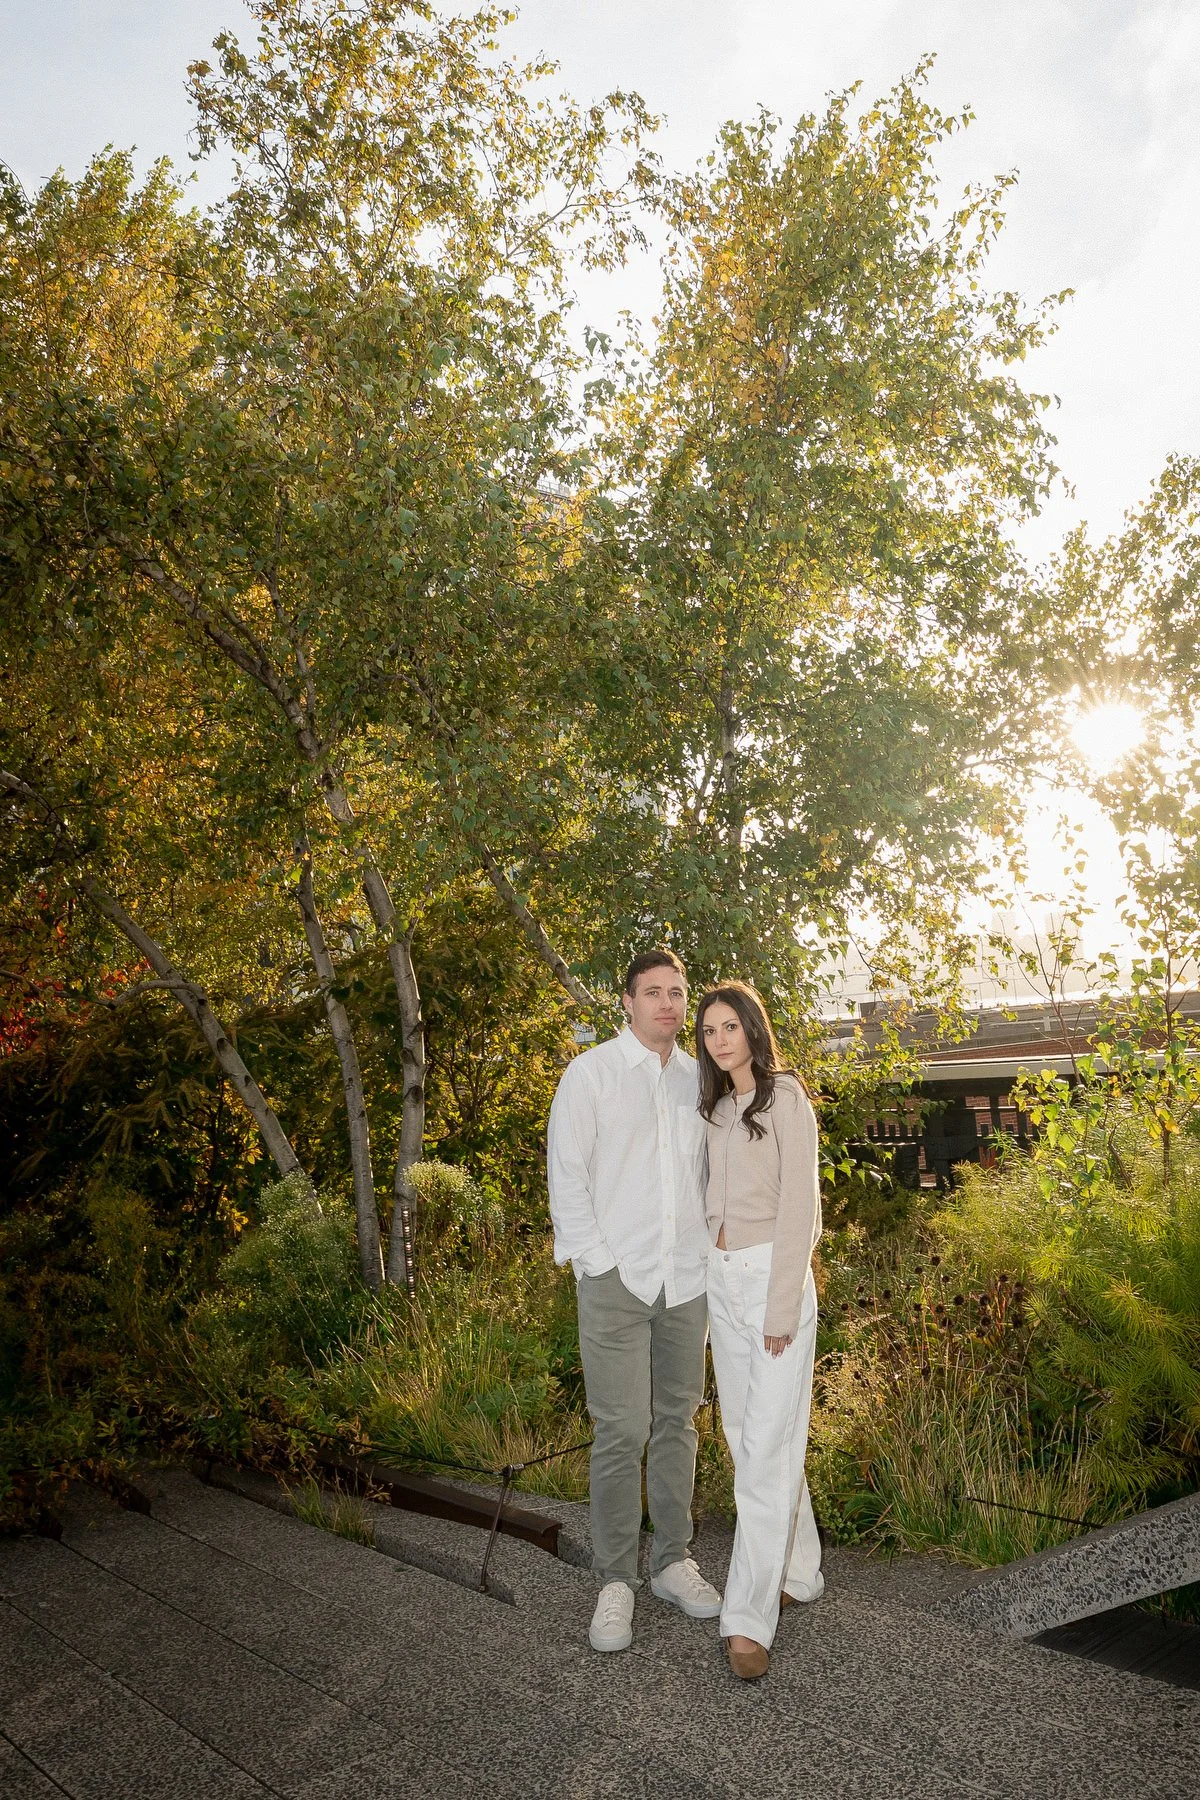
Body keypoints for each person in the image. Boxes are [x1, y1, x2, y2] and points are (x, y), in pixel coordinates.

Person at [547, 948, 722, 1652]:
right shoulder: (589, 1076)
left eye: (678, 993)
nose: (668, 1005)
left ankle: (673, 1562)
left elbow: (715, 1172)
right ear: (626, 1002)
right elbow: (568, 1175)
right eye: (653, 992)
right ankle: (616, 1580)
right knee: (621, 1430)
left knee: (679, 1421)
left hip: (686, 1281)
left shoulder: (698, 1081)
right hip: (616, 1281)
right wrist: (599, 1264)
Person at [696, 980, 823, 1681]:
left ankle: (748, 1619)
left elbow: (799, 1210)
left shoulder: (786, 1098)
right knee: (748, 1439)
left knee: (767, 1449)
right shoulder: (714, 1109)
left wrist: (778, 1307)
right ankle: (799, 1570)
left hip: (772, 1283)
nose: (719, 1039)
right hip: (723, 1281)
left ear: (751, 1029)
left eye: (729, 1026)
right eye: (709, 1030)